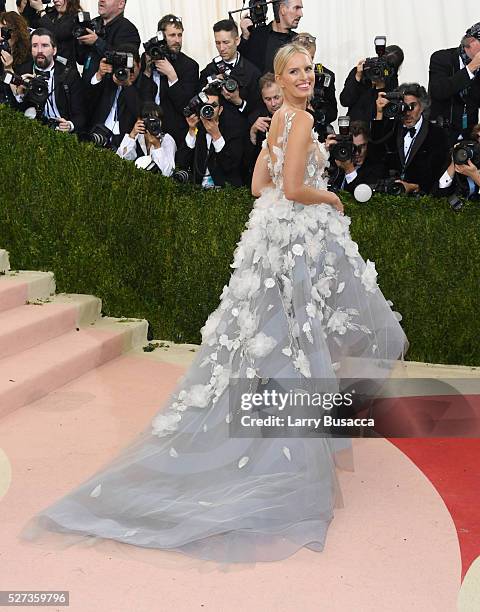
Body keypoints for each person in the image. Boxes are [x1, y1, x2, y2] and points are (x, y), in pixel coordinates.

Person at [23, 44, 407, 564]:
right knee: (298, 341)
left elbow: (257, 187)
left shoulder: (276, 122)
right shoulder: (302, 120)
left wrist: (294, 200)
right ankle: (286, 458)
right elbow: (292, 188)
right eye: (293, 71)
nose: (303, 77)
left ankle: (277, 441)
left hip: (273, 241)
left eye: (308, 70)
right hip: (293, 241)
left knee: (272, 343)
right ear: (278, 77)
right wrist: (331, 197)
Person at [372, 83, 450, 194]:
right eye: (404, 107)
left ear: (422, 107)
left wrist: (416, 187)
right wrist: (379, 112)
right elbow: (375, 152)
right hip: (391, 196)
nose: (407, 112)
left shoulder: (437, 133)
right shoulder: (392, 128)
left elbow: (439, 171)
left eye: (412, 106)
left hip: (423, 197)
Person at [138, 14, 199, 149]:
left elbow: (187, 107)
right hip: (147, 131)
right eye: (172, 35)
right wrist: (147, 72)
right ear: (161, 36)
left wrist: (172, 77)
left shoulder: (190, 66)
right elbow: (143, 98)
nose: (177, 40)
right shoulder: (148, 56)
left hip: (176, 134)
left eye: (180, 35)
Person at [13, 28, 86, 133]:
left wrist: (70, 125)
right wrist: (19, 94)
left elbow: (81, 114)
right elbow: (13, 113)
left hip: (60, 131)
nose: (39, 51)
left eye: (45, 45)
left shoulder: (69, 75)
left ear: (54, 50)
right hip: (31, 131)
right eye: (35, 46)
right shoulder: (22, 71)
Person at [199, 19, 261, 140]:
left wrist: (238, 101)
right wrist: (209, 85)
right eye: (217, 43)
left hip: (241, 139)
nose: (221, 48)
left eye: (226, 42)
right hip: (214, 137)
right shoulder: (209, 70)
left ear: (237, 40)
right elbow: (198, 100)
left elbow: (258, 109)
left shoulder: (252, 72)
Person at [176, 86, 244, 187]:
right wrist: (191, 131)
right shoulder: (196, 128)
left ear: (220, 110)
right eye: (206, 106)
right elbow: (180, 163)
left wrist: (216, 136)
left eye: (213, 106)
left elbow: (231, 167)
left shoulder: (233, 130)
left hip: (224, 191)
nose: (209, 110)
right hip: (198, 189)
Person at [428, 22, 480, 146]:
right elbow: (439, 91)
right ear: (471, 42)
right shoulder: (441, 58)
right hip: (441, 134)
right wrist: (471, 68)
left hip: (469, 136)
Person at [86, 44, 142, 149]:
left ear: (139, 65)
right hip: (99, 133)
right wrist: (99, 75)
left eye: (132, 67)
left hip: (125, 141)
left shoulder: (146, 85)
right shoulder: (108, 80)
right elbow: (88, 101)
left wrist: (127, 85)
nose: (129, 72)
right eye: (124, 67)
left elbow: (140, 112)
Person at [75, 0, 140, 85]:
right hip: (87, 88)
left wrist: (97, 42)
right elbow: (81, 59)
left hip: (109, 91)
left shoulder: (128, 29)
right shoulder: (93, 23)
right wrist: (80, 41)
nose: (101, 0)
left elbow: (124, 61)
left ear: (121, 4)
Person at [340, 45, 404, 123]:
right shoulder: (363, 70)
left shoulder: (391, 79)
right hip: (355, 128)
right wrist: (357, 77)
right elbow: (345, 101)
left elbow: (387, 113)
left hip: (376, 129)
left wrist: (381, 87)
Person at [292, 31, 337, 139]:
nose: (307, 63)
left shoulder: (326, 76)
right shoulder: (285, 76)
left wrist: (318, 114)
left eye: (310, 58)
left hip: (319, 134)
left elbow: (333, 112)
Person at [238, 0, 303, 74]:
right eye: (297, 8)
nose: (301, 14)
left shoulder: (298, 41)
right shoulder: (257, 36)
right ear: (282, 9)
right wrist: (245, 37)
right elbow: (239, 63)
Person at [116, 101, 176, 176]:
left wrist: (157, 146)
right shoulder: (137, 136)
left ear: (161, 122)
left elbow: (169, 173)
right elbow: (120, 161)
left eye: (155, 120)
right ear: (140, 120)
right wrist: (132, 135)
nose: (152, 124)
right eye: (148, 120)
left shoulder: (167, 139)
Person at [244, 71, 283, 183]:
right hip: (265, 179)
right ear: (262, 98)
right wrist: (252, 133)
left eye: (276, 97)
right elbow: (247, 163)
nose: (273, 103)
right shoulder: (255, 118)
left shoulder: (298, 114)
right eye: (268, 99)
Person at [326, 121, 385, 193]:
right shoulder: (338, 159)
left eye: (362, 146)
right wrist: (325, 151)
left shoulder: (376, 168)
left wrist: (349, 170)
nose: (357, 153)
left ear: (368, 145)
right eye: (353, 147)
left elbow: (362, 196)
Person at [26, 0, 83, 65]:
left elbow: (56, 34)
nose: (55, 0)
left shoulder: (76, 17)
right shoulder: (51, 13)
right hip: (45, 65)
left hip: (65, 69)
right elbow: (31, 22)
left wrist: (41, 11)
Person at [437, 124, 480, 199]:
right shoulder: (472, 157)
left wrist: (474, 175)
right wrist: (456, 158)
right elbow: (442, 187)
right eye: (478, 137)